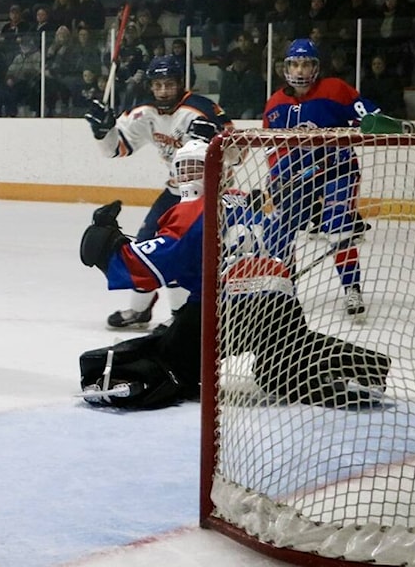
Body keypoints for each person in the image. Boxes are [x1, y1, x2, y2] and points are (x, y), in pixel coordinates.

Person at [76, 141, 390, 410]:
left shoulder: (192, 210)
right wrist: (325, 219)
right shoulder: (251, 206)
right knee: (281, 371)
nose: (188, 176)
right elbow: (283, 246)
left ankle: (123, 380)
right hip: (281, 306)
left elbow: (149, 266)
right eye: (183, 168)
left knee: (169, 358)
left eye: (195, 168)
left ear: (217, 171)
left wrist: (107, 245)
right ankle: (365, 370)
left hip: (226, 310)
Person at [85, 54, 233, 330]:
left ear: (180, 83)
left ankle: (182, 316)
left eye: (169, 84)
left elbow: (238, 152)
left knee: (185, 255)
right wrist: (103, 132)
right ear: (151, 86)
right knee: (145, 244)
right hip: (176, 190)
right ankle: (140, 311)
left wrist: (216, 140)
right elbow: (115, 149)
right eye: (158, 85)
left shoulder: (202, 109)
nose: (163, 91)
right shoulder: (145, 114)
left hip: (207, 193)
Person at [263, 38, 380, 317]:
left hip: (338, 171)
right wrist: (279, 177)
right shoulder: (275, 104)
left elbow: (370, 116)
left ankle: (352, 288)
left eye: (306, 63)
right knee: (277, 231)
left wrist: (376, 122)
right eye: (294, 63)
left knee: (338, 228)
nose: (300, 70)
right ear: (286, 67)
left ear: (316, 67)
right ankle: (283, 288)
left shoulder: (335, 89)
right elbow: (271, 146)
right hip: (298, 177)